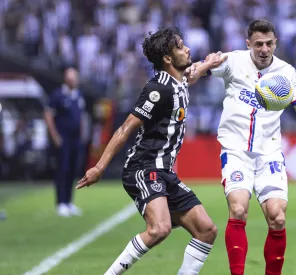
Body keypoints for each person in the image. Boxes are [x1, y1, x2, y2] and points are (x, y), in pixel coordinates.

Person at [76, 27, 226, 275]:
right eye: (180, 46)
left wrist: (209, 63)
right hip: (144, 168)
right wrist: (99, 167)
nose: (187, 48)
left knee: (206, 230)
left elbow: (193, 72)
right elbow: (125, 128)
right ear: (167, 58)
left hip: (164, 172)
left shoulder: (180, 80)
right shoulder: (158, 89)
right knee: (159, 229)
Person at [190, 19, 296, 275]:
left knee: (277, 217)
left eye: (269, 44)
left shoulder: (287, 72)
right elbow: (192, 75)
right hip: (236, 150)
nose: (264, 49)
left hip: (269, 153)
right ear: (249, 44)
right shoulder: (233, 61)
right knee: (238, 208)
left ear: (275, 43)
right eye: (258, 44)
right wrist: (203, 66)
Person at [44, 67, 85, 217]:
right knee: (63, 169)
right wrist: (55, 136)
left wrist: (81, 134)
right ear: (66, 79)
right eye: (72, 77)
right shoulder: (58, 95)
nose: (75, 80)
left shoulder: (78, 95)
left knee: (73, 170)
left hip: (75, 139)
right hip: (63, 139)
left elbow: (80, 117)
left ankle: (69, 202)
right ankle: (60, 202)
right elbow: (48, 115)